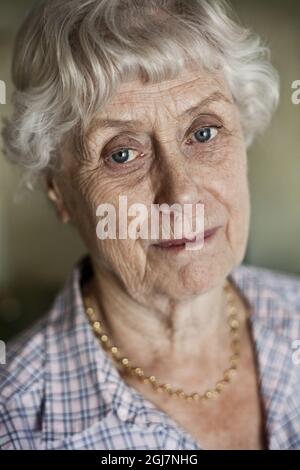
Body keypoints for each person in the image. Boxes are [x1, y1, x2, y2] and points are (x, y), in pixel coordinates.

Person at [1, 0, 300, 450]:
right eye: (121, 153)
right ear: (59, 193)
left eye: (203, 132)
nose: (181, 194)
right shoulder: (17, 423)